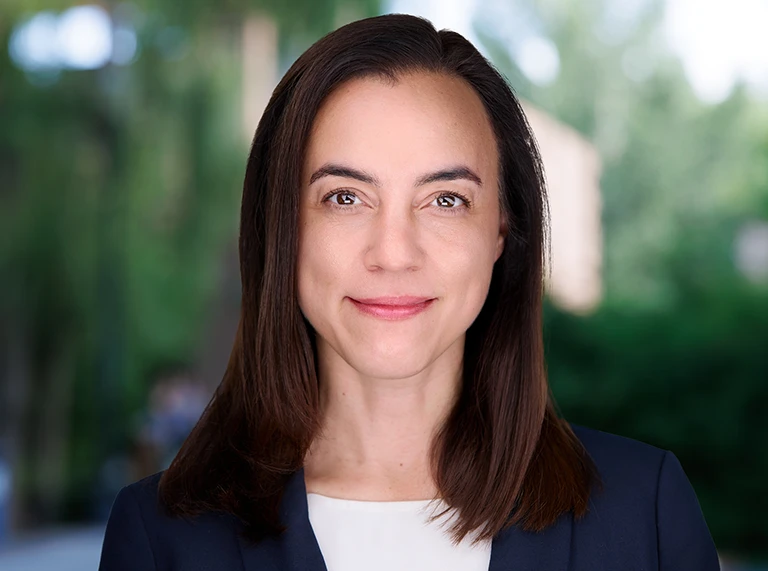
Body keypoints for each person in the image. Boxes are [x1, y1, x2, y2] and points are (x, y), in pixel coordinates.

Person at [98, 13, 719, 571]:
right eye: (345, 197)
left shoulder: (647, 513)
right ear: (281, 227)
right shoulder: (162, 539)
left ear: (502, 228)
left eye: (446, 200)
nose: (394, 253)